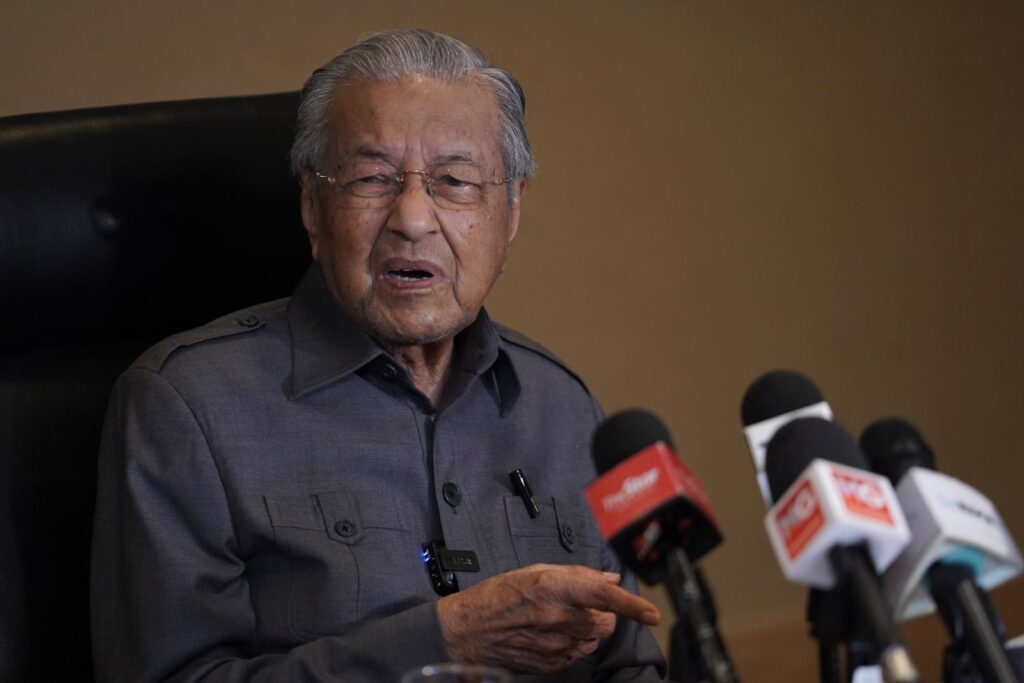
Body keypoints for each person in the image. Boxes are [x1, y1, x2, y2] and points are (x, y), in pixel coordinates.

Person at [91, 29, 666, 682]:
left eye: (455, 181)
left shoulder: (562, 405)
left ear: (510, 212)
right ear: (312, 206)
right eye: (371, 179)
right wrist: (441, 641)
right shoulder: (186, 406)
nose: (413, 219)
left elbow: (629, 666)